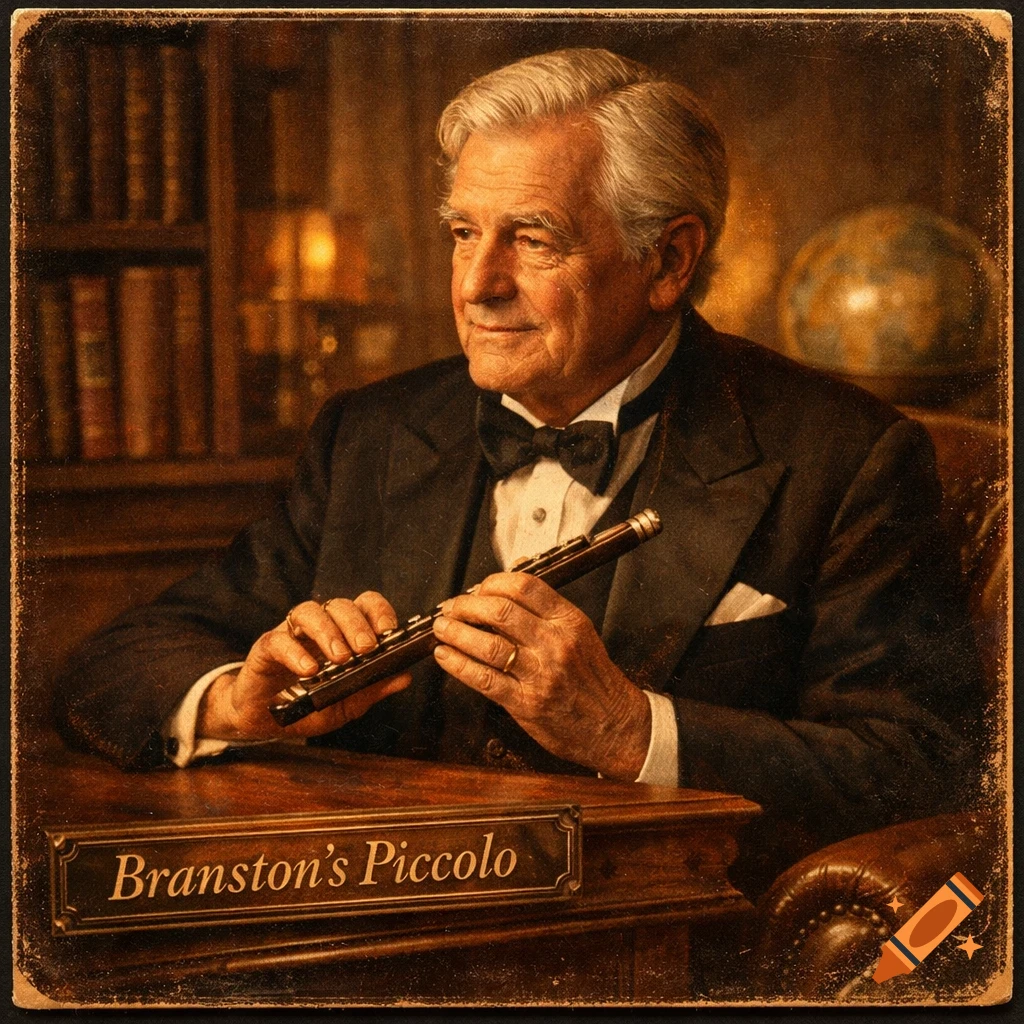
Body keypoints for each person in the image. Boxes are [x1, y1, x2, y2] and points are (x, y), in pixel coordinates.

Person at [55, 48, 982, 895]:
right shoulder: (370, 436)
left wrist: (632, 729)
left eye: (532, 239)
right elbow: (118, 662)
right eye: (464, 233)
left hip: (654, 950)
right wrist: (238, 701)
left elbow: (921, 766)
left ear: (668, 259)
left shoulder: (848, 453)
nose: (475, 284)